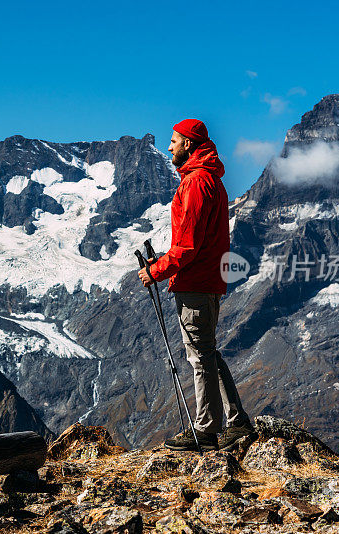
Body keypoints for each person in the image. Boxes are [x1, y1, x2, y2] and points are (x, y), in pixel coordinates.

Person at [138, 119, 256, 452]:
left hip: (194, 283)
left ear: (189, 144)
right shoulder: (212, 182)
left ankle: (205, 430)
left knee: (200, 357)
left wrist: (156, 270)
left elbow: (188, 245)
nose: (170, 146)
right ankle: (236, 422)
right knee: (208, 353)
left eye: (174, 141)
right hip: (207, 281)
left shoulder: (195, 183)